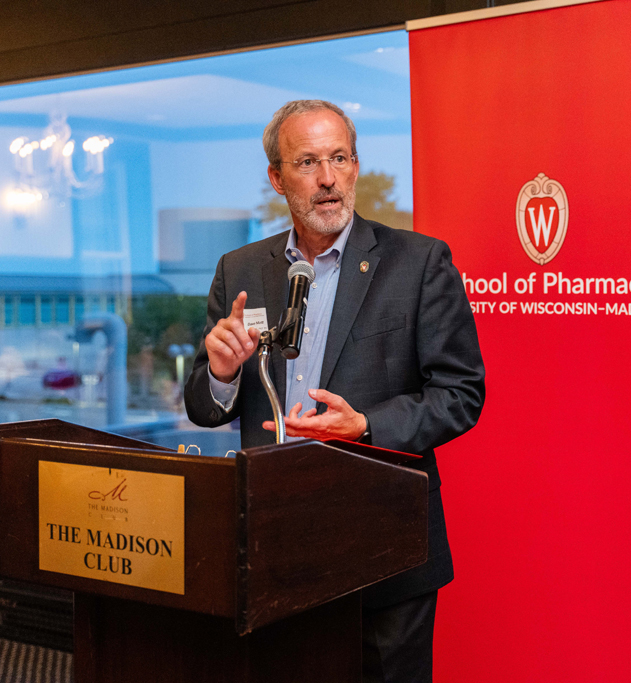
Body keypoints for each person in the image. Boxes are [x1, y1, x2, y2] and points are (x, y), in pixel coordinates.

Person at [184, 99, 485, 682]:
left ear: (355, 166)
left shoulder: (419, 263)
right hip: (276, 545)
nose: (327, 179)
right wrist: (221, 374)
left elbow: (460, 394)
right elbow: (204, 405)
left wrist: (366, 426)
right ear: (276, 178)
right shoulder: (241, 270)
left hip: (383, 546)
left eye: (339, 158)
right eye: (307, 162)